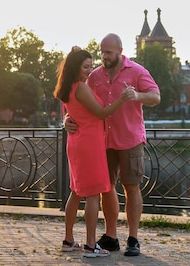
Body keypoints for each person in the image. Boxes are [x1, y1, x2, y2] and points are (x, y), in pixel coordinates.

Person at [64, 33, 160, 257]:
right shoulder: (94, 75)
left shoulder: (137, 71)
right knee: (105, 189)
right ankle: (111, 236)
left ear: (120, 50)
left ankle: (133, 239)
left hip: (129, 139)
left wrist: (136, 95)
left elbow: (155, 97)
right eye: (102, 52)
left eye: (108, 52)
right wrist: (66, 119)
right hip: (102, 141)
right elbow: (77, 100)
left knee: (131, 187)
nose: (104, 56)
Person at [54, 46, 132, 258]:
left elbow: (68, 114)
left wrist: (66, 120)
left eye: (91, 66)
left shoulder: (66, 87)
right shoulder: (80, 87)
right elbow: (101, 113)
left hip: (76, 142)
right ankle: (90, 245)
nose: (90, 70)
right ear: (76, 68)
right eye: (86, 67)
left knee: (76, 192)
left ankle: (68, 240)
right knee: (92, 194)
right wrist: (122, 98)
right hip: (89, 144)